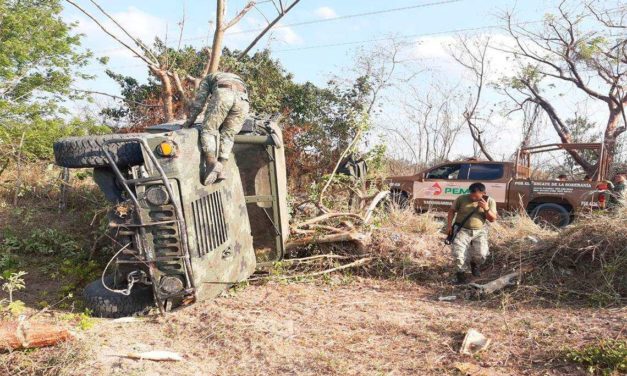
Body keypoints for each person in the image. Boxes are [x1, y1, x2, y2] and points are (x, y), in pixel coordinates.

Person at [183, 72, 249, 185]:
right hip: (244, 101)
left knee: (209, 129)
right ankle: (221, 168)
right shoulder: (236, 77)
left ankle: (211, 163)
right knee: (228, 134)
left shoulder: (207, 79)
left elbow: (199, 103)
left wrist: (189, 122)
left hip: (224, 95)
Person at [446, 182, 498, 284]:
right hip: (462, 230)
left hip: (480, 231)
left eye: (476, 195)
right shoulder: (461, 198)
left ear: (483, 193)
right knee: (458, 254)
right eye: (471, 194)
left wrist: (486, 208)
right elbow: (451, 211)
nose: (473, 197)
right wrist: (449, 226)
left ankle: (474, 264)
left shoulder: (490, 201)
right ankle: (461, 276)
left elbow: (492, 219)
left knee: (482, 254)